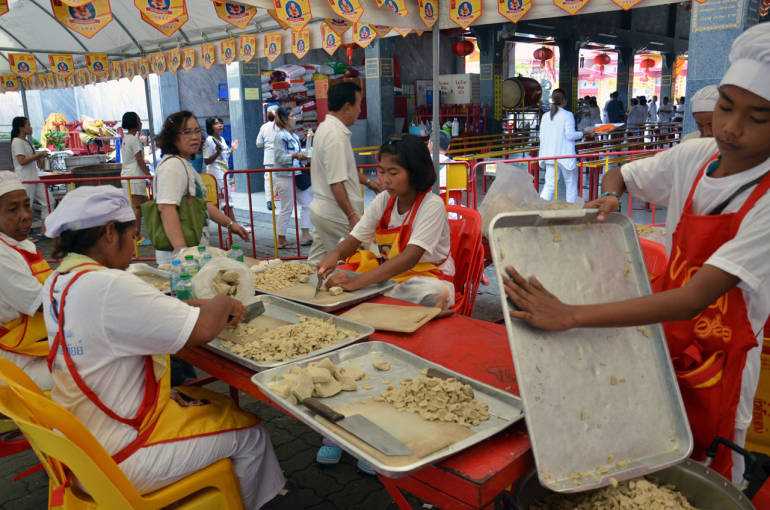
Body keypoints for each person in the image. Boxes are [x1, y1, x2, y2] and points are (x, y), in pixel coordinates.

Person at [501, 23, 770, 485]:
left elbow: (693, 298)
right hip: (658, 337)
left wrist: (569, 314)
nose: (730, 127)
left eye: (757, 117)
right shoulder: (696, 156)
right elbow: (620, 173)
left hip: (719, 361)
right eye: (726, 107)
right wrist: (609, 194)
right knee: (646, 446)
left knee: (708, 466)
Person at [42, 186, 285, 508]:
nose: (135, 247)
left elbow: (145, 311)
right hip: (123, 453)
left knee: (213, 406)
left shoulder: (59, 280)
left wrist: (197, 304)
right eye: (134, 236)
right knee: (251, 435)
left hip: (84, 441)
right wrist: (223, 300)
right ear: (109, 233)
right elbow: (201, 330)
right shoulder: (110, 285)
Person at [315, 136, 456, 470]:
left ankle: (383, 424)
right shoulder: (382, 201)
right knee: (352, 318)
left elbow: (410, 258)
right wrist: (332, 257)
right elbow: (355, 238)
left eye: (393, 172)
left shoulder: (431, 205)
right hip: (390, 278)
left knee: (423, 299)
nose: (385, 179)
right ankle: (338, 428)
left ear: (415, 172)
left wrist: (360, 283)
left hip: (424, 278)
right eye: (382, 171)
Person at [153, 111, 249, 265]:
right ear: (172, 137)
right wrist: (182, 251)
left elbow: (202, 205)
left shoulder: (184, 164)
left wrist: (231, 224)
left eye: (197, 131)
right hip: (180, 260)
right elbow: (166, 208)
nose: (194, 137)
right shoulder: (172, 166)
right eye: (186, 132)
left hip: (192, 254)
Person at [308, 82, 378, 265]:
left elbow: (346, 170)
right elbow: (336, 182)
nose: (360, 110)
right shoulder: (335, 136)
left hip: (323, 210)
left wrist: (369, 182)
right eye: (359, 104)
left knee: (316, 263)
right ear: (347, 107)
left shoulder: (326, 128)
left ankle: (304, 291)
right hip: (335, 213)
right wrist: (352, 216)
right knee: (362, 258)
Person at [0, 172, 52, 390]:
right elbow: (45, 303)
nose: (25, 215)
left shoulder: (20, 245)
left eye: (27, 206)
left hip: (32, 346)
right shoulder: (2, 255)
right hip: (13, 359)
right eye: (13, 210)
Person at [271, 107, 312, 249]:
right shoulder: (279, 136)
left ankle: (306, 234)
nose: (295, 119)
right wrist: (294, 156)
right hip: (285, 175)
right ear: (285, 119)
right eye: (292, 116)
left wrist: (308, 141)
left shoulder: (294, 136)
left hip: (298, 173)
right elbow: (279, 157)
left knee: (308, 203)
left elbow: (302, 154)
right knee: (287, 207)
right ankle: (281, 238)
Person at [538, 89, 586, 203]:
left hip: (549, 156)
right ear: (564, 101)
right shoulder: (567, 115)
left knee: (549, 185)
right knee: (570, 184)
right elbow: (570, 135)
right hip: (565, 156)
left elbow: (541, 136)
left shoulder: (545, 116)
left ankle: (539, 209)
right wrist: (584, 133)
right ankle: (571, 212)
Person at [10, 117, 49, 227]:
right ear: (21, 128)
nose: (31, 127)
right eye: (28, 125)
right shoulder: (17, 142)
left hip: (34, 178)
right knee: (26, 207)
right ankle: (23, 233)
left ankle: (45, 227)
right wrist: (38, 155)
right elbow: (22, 161)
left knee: (48, 201)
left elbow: (33, 161)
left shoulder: (26, 141)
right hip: (25, 180)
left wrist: (39, 158)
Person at [120, 112, 150, 234]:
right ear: (135, 123)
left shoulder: (126, 139)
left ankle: (136, 232)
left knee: (142, 205)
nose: (141, 123)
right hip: (135, 177)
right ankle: (135, 234)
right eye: (139, 120)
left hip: (127, 175)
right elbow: (139, 160)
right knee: (137, 208)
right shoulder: (133, 139)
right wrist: (148, 174)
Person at [203, 117, 239, 194]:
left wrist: (232, 149)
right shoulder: (209, 140)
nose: (220, 125)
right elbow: (206, 161)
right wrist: (217, 153)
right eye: (216, 123)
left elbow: (225, 155)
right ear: (210, 126)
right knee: (222, 196)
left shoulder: (222, 139)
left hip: (225, 170)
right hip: (216, 172)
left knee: (227, 194)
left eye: (221, 123)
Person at [256, 105, 279, 211]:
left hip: (269, 158)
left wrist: (267, 144)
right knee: (282, 179)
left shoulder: (264, 127)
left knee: (269, 180)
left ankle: (270, 200)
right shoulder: (282, 126)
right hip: (281, 158)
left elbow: (258, 143)